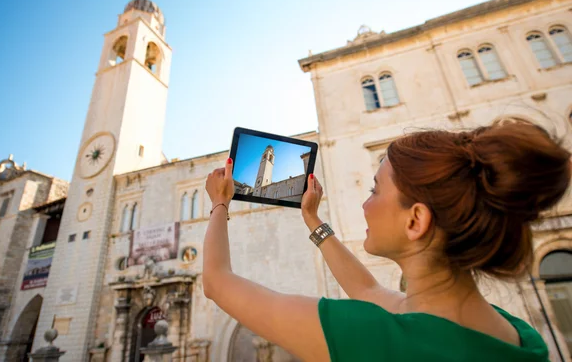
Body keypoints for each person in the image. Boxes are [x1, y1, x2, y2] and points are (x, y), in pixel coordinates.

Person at [203, 122, 571, 361]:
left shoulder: (372, 337)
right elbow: (368, 290)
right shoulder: (517, 335)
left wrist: (220, 201)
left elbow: (217, 283)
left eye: (374, 190)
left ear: (416, 220)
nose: (365, 204)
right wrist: (313, 219)